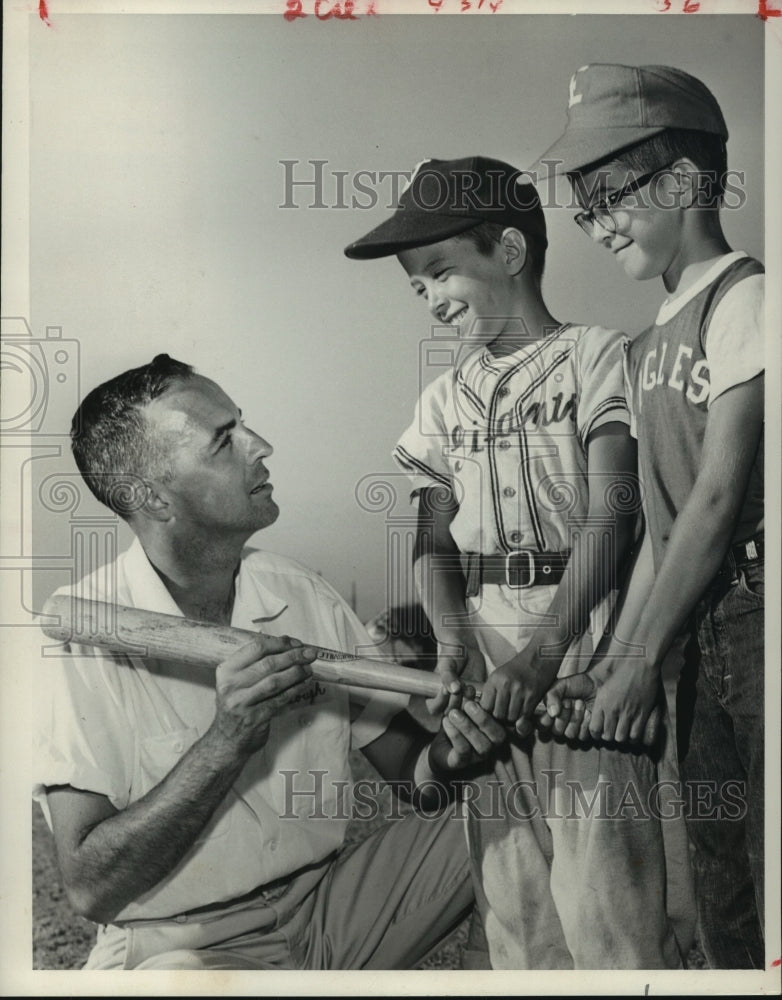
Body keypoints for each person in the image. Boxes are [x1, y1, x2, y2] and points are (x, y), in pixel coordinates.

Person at [32, 354, 508, 971]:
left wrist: (457, 752)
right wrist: (227, 740)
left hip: (334, 909)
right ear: (150, 497)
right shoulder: (86, 632)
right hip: (185, 947)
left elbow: (416, 777)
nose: (262, 446)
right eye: (224, 442)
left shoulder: (299, 593)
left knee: (515, 809)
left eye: (243, 425)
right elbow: (91, 887)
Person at [344, 157, 682, 969]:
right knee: (520, 923)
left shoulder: (597, 355)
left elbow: (615, 515)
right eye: (416, 286)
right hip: (486, 679)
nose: (430, 297)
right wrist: (453, 641)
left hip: (578, 667)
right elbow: (433, 541)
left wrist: (542, 658)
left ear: (510, 250)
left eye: (440, 271)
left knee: (611, 922)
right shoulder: (440, 401)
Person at [533, 64, 765, 969]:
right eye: (583, 212)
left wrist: (639, 666)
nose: (594, 228)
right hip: (700, 622)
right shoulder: (644, 342)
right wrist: (609, 666)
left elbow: (715, 501)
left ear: (679, 182)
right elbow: (658, 537)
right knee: (720, 877)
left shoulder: (745, 298)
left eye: (607, 201)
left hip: (755, 608)